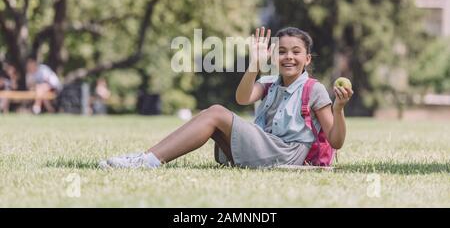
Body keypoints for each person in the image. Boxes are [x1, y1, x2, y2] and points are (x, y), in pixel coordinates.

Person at [100, 27, 353, 169]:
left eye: (296, 52)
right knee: (215, 117)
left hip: (287, 155)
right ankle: (147, 158)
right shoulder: (268, 83)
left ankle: (148, 161)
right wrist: (254, 64)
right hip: (266, 146)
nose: (289, 57)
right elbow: (243, 97)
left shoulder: (314, 89)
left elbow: (336, 141)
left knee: (216, 113)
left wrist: (339, 109)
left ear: (307, 59)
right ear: (273, 57)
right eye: (282, 51)